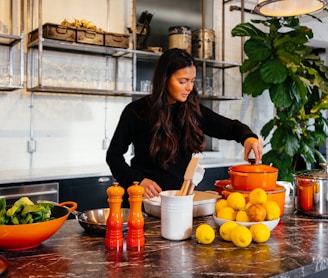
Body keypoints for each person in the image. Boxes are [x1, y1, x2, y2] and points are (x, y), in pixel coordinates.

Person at [106, 48, 263, 207]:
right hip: (142, 204)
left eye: (192, 81)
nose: (189, 87)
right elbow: (113, 156)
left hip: (179, 204)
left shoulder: (193, 111)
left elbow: (231, 128)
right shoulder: (136, 112)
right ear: (165, 79)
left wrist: (248, 138)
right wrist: (138, 181)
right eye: (183, 81)